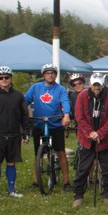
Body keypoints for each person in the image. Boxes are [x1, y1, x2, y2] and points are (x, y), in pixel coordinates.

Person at [0, 66, 31, 200]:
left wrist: (26, 132)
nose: (4, 80)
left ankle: (11, 190)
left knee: (11, 163)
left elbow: (24, 116)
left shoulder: (18, 96)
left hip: (14, 135)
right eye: (1, 78)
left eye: (6, 77)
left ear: (11, 78)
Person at [72, 73, 108, 208]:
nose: (96, 87)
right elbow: (79, 117)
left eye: (99, 85)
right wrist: (90, 133)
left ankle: (107, 194)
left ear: (103, 85)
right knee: (83, 168)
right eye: (94, 85)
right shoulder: (82, 96)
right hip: (87, 139)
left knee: (107, 169)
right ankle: (78, 195)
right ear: (90, 85)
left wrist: (100, 133)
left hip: (104, 140)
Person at [24, 63, 72, 191]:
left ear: (56, 75)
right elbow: (25, 100)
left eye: (52, 73)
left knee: (61, 152)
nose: (50, 75)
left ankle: (67, 182)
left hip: (55, 124)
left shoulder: (60, 89)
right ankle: (35, 181)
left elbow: (65, 102)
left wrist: (66, 115)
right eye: (47, 73)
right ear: (43, 75)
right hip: (39, 124)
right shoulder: (35, 88)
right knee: (37, 155)